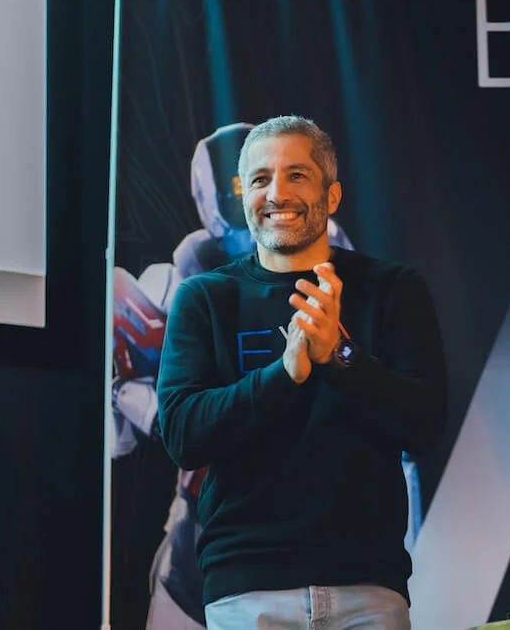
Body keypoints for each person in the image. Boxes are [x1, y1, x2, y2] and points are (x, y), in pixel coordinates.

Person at [156, 115, 448, 629]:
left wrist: (340, 355)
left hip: (368, 590)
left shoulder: (393, 290)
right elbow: (183, 435)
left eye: (297, 174)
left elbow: (424, 425)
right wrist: (284, 374)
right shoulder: (205, 297)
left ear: (332, 195)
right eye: (261, 179)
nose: (277, 193)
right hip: (248, 593)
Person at [111, 122, 360, 630]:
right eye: (260, 181)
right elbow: (161, 425)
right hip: (217, 534)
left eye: (292, 178)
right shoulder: (189, 274)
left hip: (327, 536)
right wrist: (129, 395)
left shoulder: (346, 271)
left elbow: (390, 411)